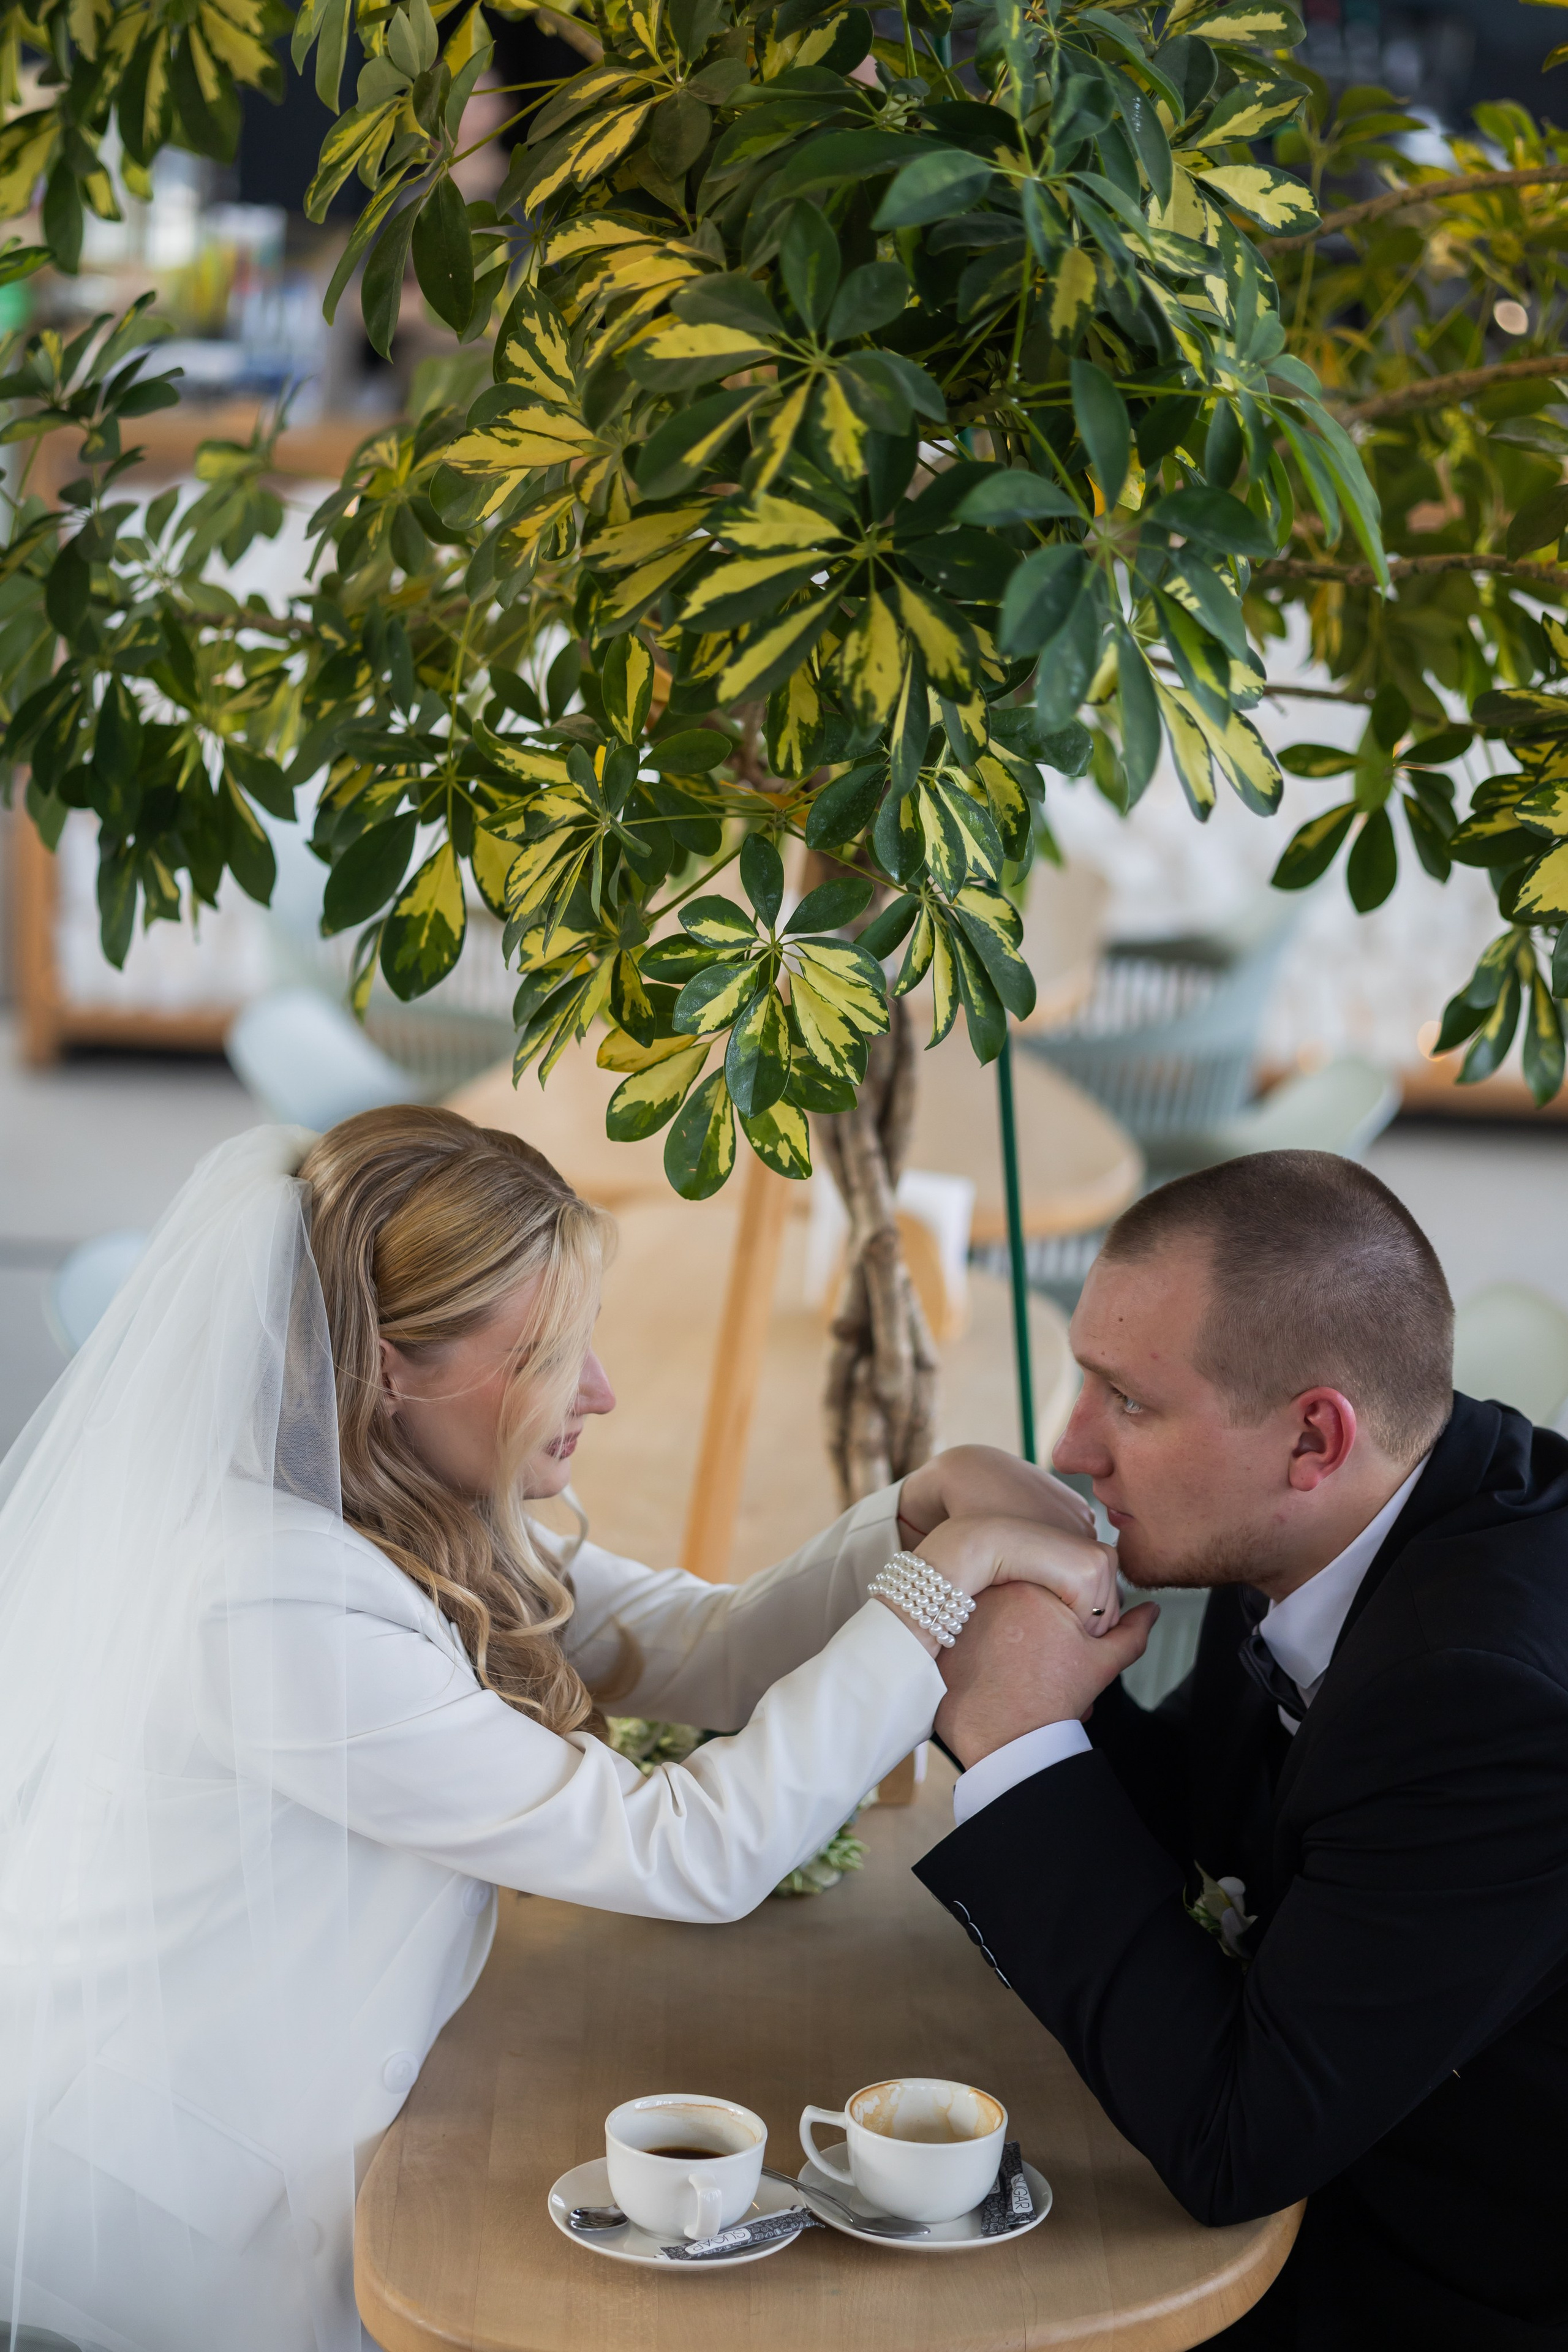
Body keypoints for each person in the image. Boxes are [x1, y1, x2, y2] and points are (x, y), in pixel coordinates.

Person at [0, 1106, 1114, 2352]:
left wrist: (915, 1514)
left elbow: (704, 1643)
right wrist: (943, 1585)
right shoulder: (266, 1607)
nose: (600, 1392)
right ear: (391, 1367)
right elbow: (689, 1852)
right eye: (548, 1356)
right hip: (171, 2222)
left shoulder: (392, 1499)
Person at [914, 1149, 1568, 2352]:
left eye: (1128, 1401)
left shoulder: (1482, 1699)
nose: (1072, 1444)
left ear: (1313, 1437)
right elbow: (1219, 1828)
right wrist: (1022, 1655)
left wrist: (1016, 1740)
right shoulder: (1333, 1516)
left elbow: (1234, 2146)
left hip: (1430, 2276)